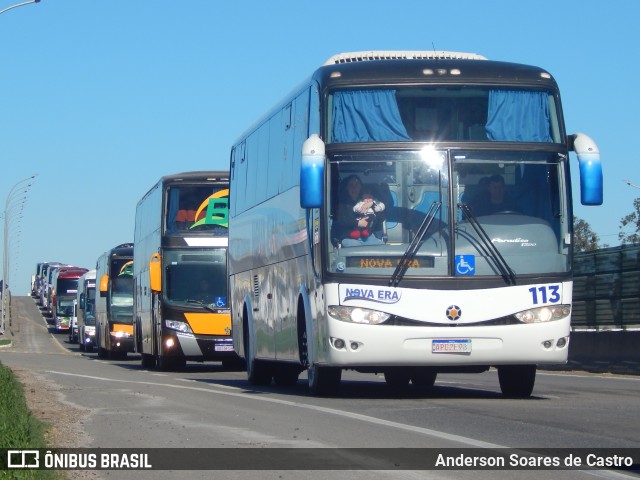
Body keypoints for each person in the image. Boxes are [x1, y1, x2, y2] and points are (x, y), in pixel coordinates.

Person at [332, 175, 385, 247]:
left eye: (356, 185)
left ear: (360, 187)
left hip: (368, 237)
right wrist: (358, 223)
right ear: (347, 188)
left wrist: (372, 205)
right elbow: (339, 221)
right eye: (351, 185)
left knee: (382, 247)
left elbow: (382, 218)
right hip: (349, 238)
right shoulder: (341, 205)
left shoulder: (367, 201)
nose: (354, 188)